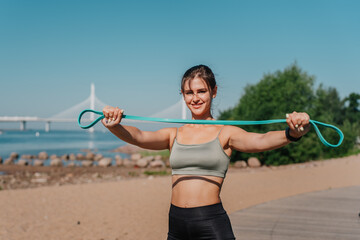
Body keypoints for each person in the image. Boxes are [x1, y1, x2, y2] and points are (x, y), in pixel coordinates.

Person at [101, 65, 310, 240]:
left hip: (210, 223)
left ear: (214, 91)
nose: (195, 98)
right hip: (176, 223)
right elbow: (138, 136)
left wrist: (292, 133)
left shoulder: (225, 133)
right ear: (182, 95)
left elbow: (260, 140)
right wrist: (113, 125)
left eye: (201, 91)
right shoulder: (174, 134)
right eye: (189, 93)